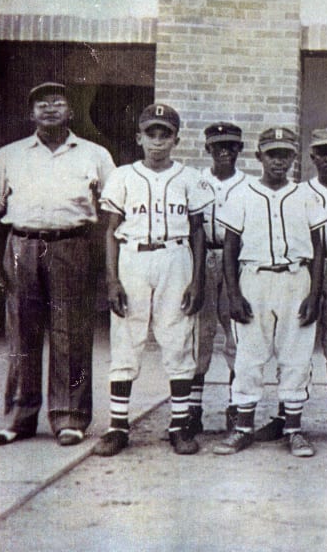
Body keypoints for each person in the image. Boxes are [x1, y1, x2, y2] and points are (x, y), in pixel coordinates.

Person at [0, 81, 116, 447]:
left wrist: (103, 264)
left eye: (58, 102)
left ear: (71, 112)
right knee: (22, 333)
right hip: (22, 245)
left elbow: (113, 211)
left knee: (71, 334)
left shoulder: (95, 154)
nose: (50, 108)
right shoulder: (10, 154)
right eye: (42, 103)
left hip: (73, 246)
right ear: (31, 114)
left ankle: (69, 418)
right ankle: (18, 418)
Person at [94, 103, 213, 457]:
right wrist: (112, 280)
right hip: (134, 257)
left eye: (165, 134)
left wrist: (197, 280)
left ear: (177, 139)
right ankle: (118, 427)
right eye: (151, 133)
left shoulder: (189, 178)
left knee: (177, 340)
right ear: (139, 137)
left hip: (175, 257)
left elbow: (197, 232)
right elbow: (111, 231)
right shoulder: (123, 175)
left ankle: (179, 426)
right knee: (127, 339)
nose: (158, 141)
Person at [212, 127, 325, 457]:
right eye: (272, 154)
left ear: (294, 157)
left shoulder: (306, 195)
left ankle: (293, 429)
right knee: (248, 356)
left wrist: (314, 294)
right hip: (255, 279)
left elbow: (318, 250)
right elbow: (230, 248)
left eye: (285, 154)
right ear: (259, 156)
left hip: (295, 278)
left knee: (296, 357)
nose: (279, 160)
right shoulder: (242, 194)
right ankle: (243, 427)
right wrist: (233, 294)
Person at [253, 127, 327, 442]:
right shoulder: (297, 190)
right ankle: (286, 414)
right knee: (293, 342)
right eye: (322, 151)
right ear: (311, 155)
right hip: (302, 268)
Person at [191, 122, 247, 434]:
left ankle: (236, 406)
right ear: (207, 149)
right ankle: (193, 410)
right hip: (203, 256)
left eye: (230, 146)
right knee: (200, 335)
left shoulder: (249, 185)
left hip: (237, 261)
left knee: (237, 335)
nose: (224, 151)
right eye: (217, 146)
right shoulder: (195, 181)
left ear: (240, 149)